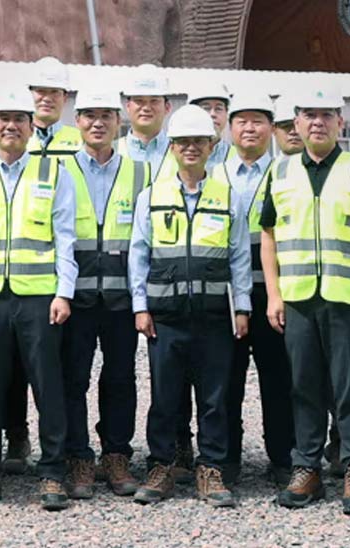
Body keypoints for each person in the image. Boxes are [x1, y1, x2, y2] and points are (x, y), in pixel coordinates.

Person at [262, 86, 350, 516]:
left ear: (340, 123)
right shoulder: (279, 173)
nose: (317, 122)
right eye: (308, 115)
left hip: (348, 299)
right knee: (303, 387)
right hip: (299, 299)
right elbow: (268, 235)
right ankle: (307, 468)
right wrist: (273, 294)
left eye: (326, 115)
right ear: (296, 124)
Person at [0, 88, 78, 511]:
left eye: (19, 119)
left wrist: (64, 291)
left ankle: (52, 473)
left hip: (40, 298)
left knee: (48, 385)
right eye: (2, 118)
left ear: (31, 128)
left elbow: (65, 237)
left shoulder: (53, 174)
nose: (11, 126)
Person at [128, 104, 252, 508]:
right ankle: (161, 466)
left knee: (214, 398)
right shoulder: (152, 196)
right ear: (173, 146)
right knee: (165, 397)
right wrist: (140, 306)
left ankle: (211, 469)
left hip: (214, 316)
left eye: (199, 141)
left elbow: (238, 258)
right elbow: (138, 254)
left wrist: (242, 308)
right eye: (183, 142)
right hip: (165, 318)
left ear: (212, 146)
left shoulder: (226, 196)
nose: (191, 148)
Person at [61, 90, 147, 498]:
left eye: (106, 116)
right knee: (72, 379)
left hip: (121, 299)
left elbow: (144, 242)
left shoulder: (139, 173)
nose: (98, 123)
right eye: (89, 116)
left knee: (120, 378)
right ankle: (78, 456)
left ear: (119, 122)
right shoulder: (60, 171)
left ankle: (116, 456)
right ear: (77, 121)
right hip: (74, 299)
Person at [217, 91, 292, 488]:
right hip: (226, 296)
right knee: (225, 379)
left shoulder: (285, 173)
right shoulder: (214, 173)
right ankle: (226, 459)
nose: (250, 128)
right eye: (242, 120)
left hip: (271, 292)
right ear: (230, 129)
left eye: (259, 120)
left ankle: (282, 457)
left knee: (278, 378)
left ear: (272, 129)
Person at [117, 67, 174, 175]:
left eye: (154, 101)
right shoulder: (111, 151)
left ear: (167, 107)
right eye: (139, 101)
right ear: (128, 107)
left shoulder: (180, 152)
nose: (146, 108)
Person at [26, 56, 83, 158]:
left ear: (65, 98)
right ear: (29, 94)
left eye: (54, 92)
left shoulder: (81, 142)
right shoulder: (15, 140)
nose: (47, 99)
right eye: (41, 91)